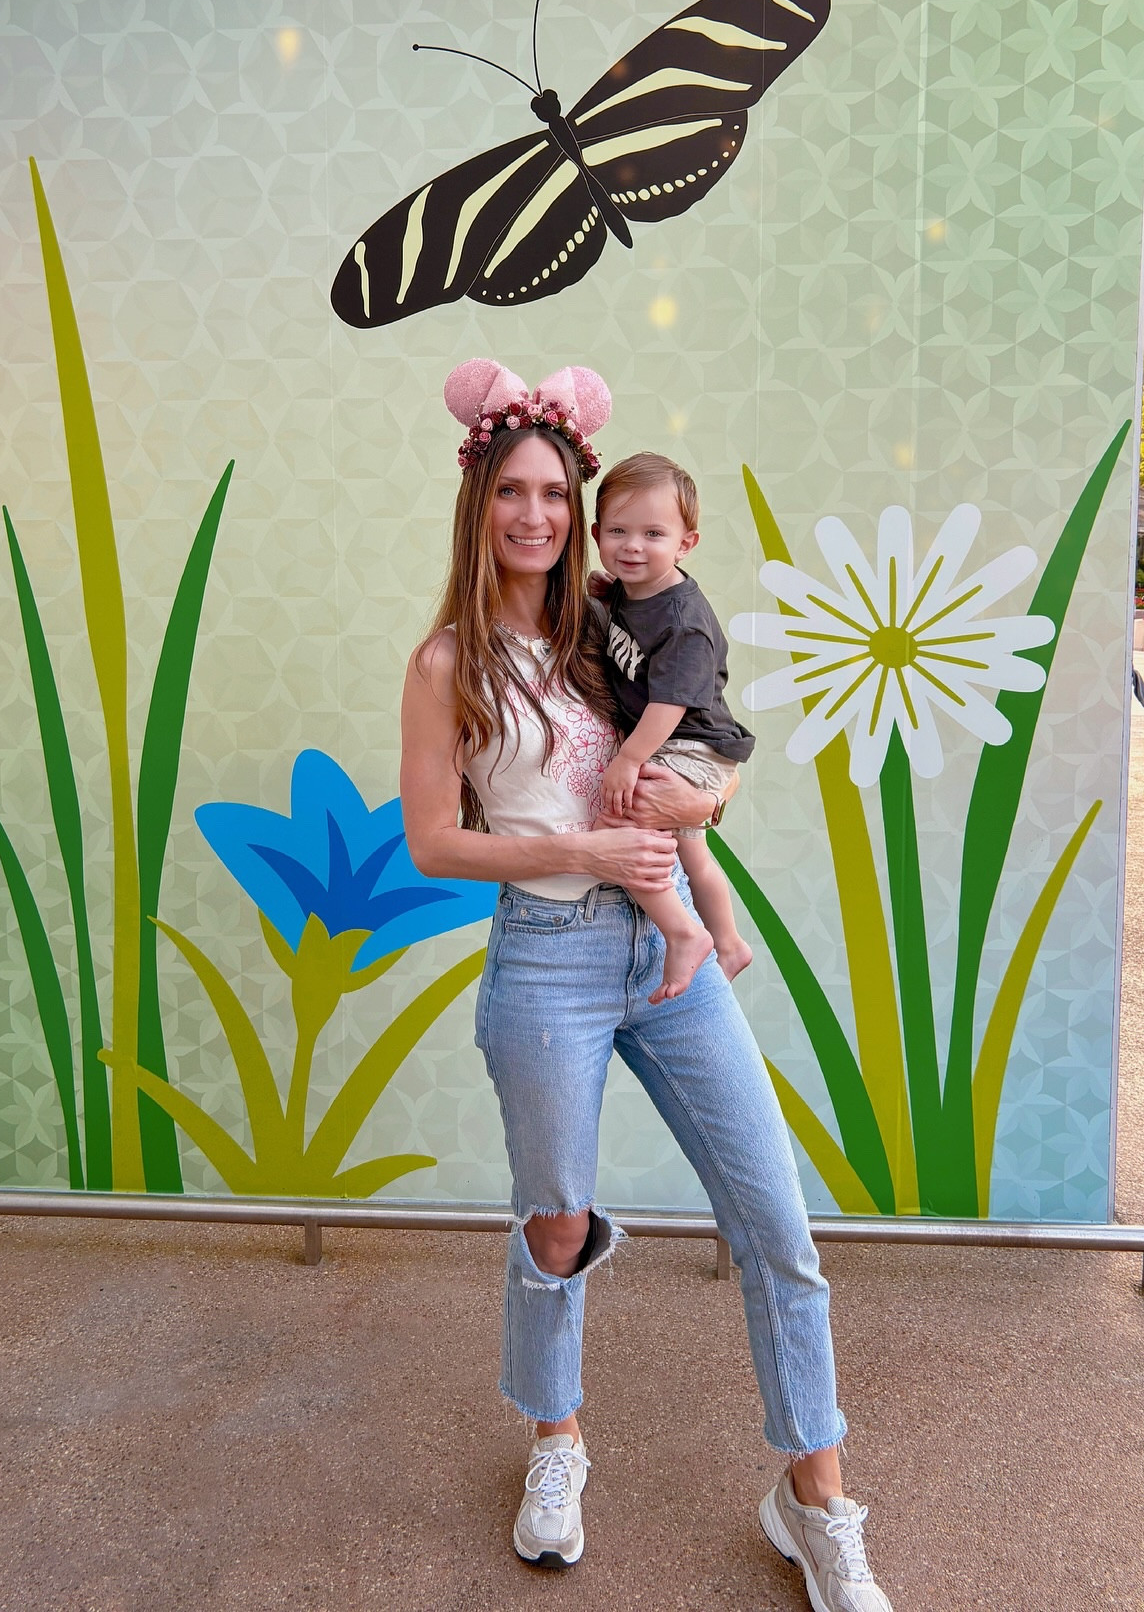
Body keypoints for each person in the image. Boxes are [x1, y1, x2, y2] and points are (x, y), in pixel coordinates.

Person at [399, 357, 892, 1612]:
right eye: (513, 491)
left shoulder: (613, 628)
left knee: (777, 1222)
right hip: (548, 957)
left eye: (555, 493)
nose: (537, 516)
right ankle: (557, 1446)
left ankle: (816, 1501)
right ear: (478, 504)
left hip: (664, 962)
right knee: (555, 1228)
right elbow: (432, 843)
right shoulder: (449, 661)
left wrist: (716, 791)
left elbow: (707, 743)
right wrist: (577, 848)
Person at [591, 450, 755, 1000]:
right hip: (677, 740)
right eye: (618, 530)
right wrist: (600, 591)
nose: (633, 546)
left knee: (625, 825)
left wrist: (629, 760)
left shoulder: (685, 622)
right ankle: (729, 941)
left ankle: (684, 934)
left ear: (686, 543)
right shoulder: (629, 591)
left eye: (653, 534)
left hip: (692, 743)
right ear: (596, 534)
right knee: (692, 851)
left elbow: (670, 706)